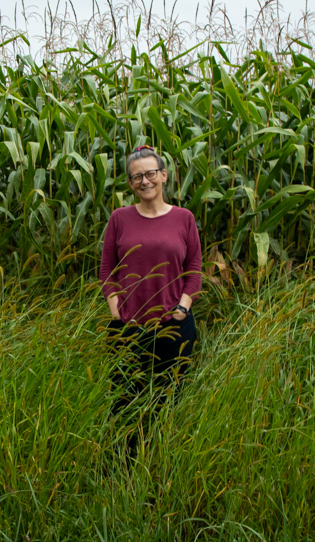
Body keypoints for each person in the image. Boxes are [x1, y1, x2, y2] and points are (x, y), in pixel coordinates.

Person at [98, 145, 202, 457]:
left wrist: (182, 310)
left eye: (150, 174)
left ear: (163, 175)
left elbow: (194, 269)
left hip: (173, 328)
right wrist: (117, 312)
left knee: (168, 401)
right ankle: (122, 470)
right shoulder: (120, 218)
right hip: (128, 328)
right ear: (130, 183)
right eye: (136, 177)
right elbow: (107, 270)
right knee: (125, 403)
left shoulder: (184, 218)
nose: (145, 181)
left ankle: (162, 465)